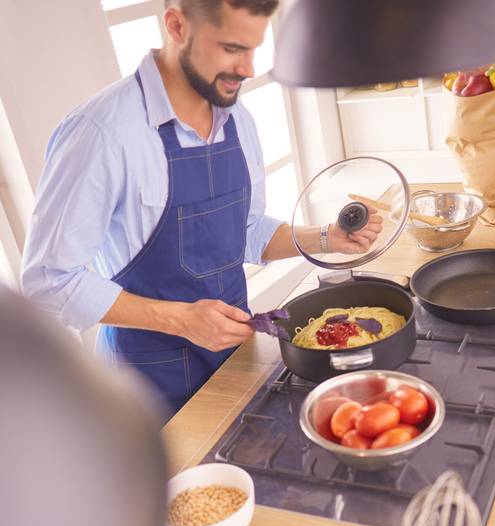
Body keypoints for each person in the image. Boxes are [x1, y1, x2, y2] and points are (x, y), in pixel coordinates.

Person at [21, 0, 382, 422]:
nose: (248, 69)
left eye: (253, 49)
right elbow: (47, 280)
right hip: (144, 384)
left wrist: (325, 238)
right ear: (175, 25)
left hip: (233, 359)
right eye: (232, 48)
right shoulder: (101, 133)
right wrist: (180, 320)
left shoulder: (236, 118)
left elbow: (243, 230)